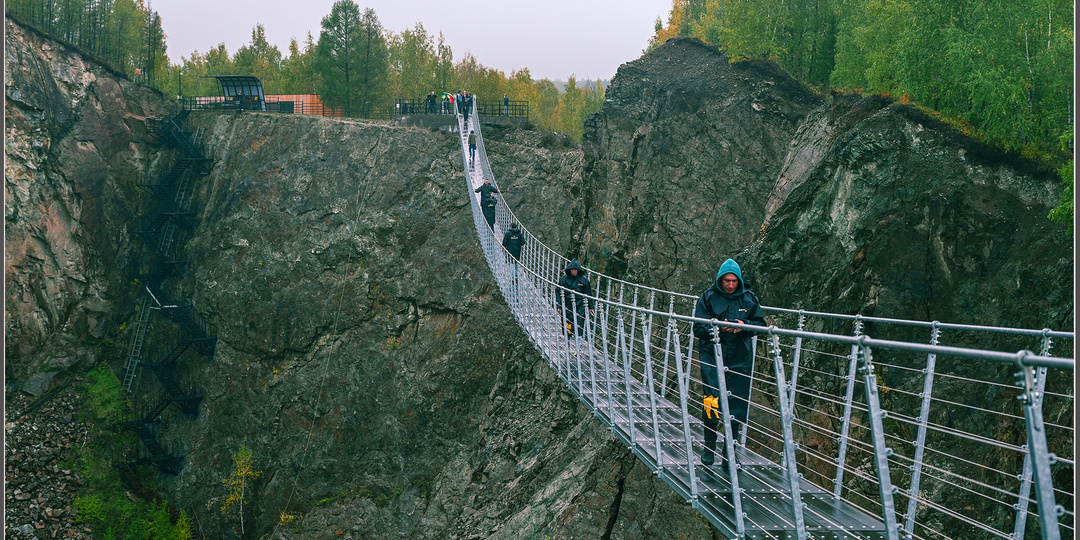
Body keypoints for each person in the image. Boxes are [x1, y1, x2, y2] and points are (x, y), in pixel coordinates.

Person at [691, 258, 766, 467]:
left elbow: (760, 324)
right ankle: (709, 446)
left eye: (734, 281)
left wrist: (744, 325)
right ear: (720, 279)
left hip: (740, 358)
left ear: (739, 280)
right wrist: (717, 327)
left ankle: (729, 452)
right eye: (727, 281)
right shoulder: (708, 297)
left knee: (737, 402)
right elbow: (698, 328)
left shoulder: (749, 298)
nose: (731, 285)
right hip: (712, 356)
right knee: (711, 400)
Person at [556, 259, 595, 348]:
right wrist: (559, 305)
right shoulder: (564, 279)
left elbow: (588, 293)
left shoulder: (584, 280)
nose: (573, 271)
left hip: (580, 306)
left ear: (578, 270)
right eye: (572, 269)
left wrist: (591, 306)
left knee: (579, 326)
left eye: (575, 269)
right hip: (567, 305)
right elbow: (558, 291)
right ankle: (568, 344)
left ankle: (577, 347)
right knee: (568, 325)